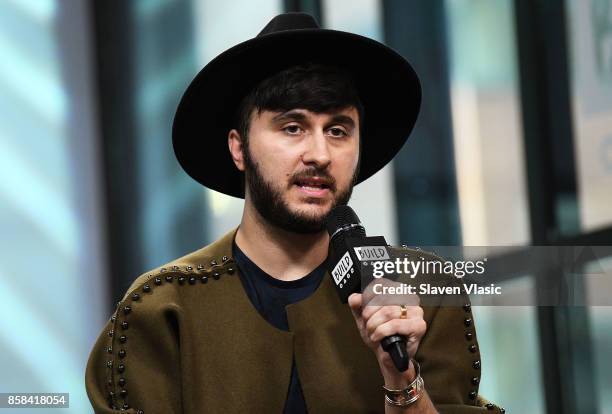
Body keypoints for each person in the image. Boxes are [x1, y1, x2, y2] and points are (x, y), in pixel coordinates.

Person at [85, 13, 503, 414]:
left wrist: (401, 378)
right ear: (238, 148)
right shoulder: (163, 307)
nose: (320, 154)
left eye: (338, 131)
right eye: (292, 127)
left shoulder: (421, 292)